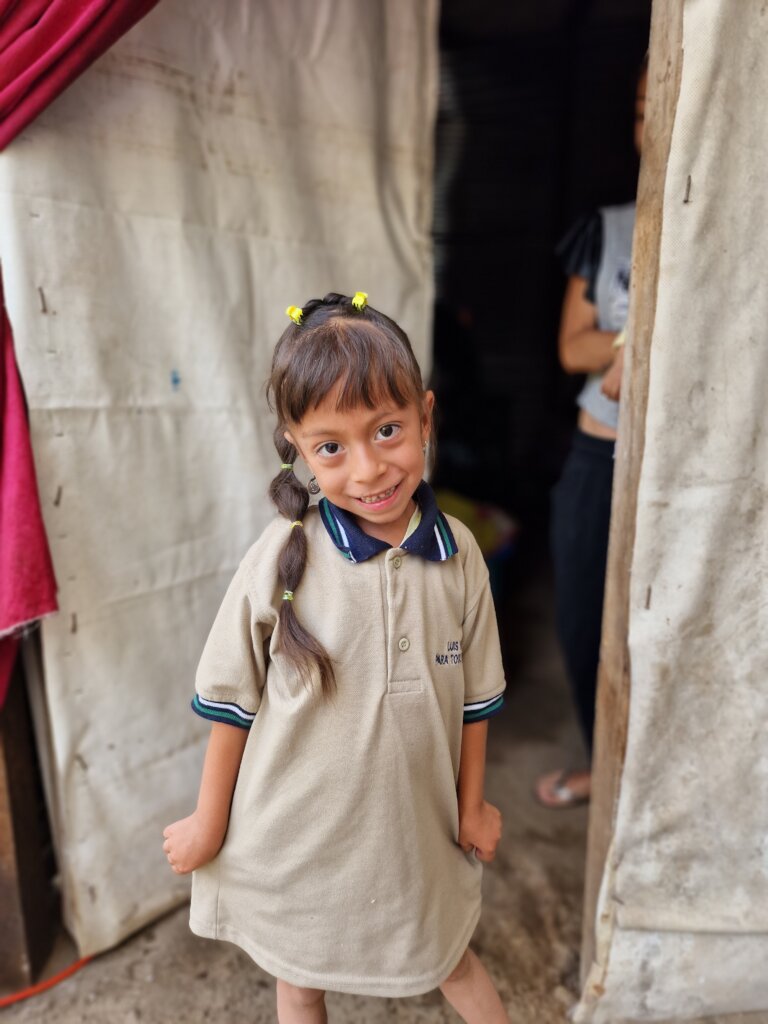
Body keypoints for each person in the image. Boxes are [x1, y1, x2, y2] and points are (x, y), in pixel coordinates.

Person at [162, 292, 509, 1024]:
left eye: (387, 430)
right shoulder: (281, 557)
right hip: (295, 842)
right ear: (295, 447)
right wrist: (207, 822)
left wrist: (473, 804)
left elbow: (477, 699)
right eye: (331, 448)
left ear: (425, 416)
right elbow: (232, 704)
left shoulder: (460, 558)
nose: (369, 468)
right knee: (300, 983)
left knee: (450, 957)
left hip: (415, 838)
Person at [535, 58, 647, 809]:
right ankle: (601, 765)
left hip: (688, 461)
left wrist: (641, 345)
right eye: (639, 109)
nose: (650, 123)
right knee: (581, 618)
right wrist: (628, 344)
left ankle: (648, 781)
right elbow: (573, 347)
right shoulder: (607, 231)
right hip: (599, 452)